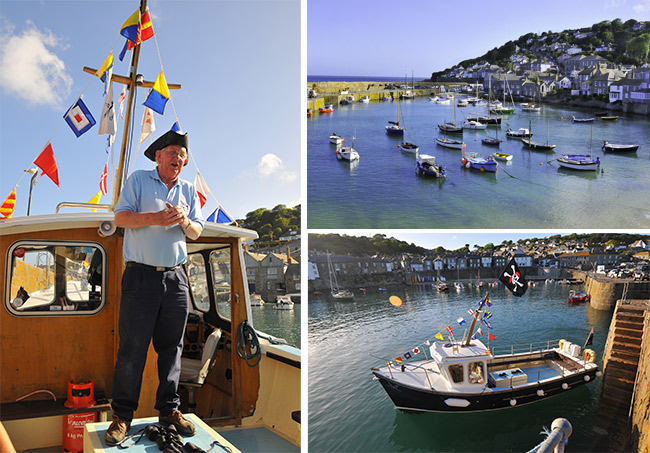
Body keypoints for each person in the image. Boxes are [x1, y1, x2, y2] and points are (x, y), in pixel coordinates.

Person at [105, 130, 205, 446]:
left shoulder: (189, 190)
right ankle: (121, 417)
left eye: (181, 155)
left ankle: (169, 411)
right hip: (140, 278)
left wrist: (184, 221)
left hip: (176, 279)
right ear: (158, 155)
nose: (177, 158)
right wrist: (157, 218)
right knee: (132, 350)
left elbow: (197, 233)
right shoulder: (138, 180)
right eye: (172, 152)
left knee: (172, 349)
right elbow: (120, 218)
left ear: (185, 161)